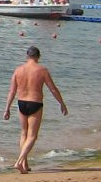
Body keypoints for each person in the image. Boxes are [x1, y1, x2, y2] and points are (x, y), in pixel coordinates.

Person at [4, 45, 67, 173]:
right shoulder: (42, 70)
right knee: (32, 135)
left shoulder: (18, 70)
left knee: (23, 133)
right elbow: (53, 89)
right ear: (38, 57)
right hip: (35, 103)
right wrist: (62, 103)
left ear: (27, 56)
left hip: (21, 103)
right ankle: (19, 161)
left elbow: (12, 91)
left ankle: (25, 165)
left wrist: (7, 108)